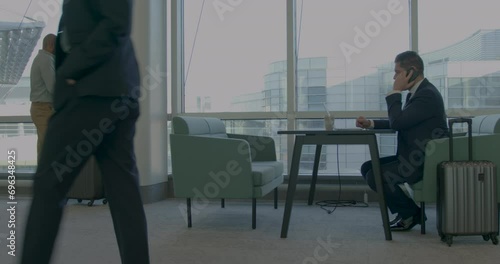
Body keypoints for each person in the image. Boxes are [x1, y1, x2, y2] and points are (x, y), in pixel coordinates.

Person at [21, 1, 150, 263]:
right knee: (123, 190)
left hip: (90, 91)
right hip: (117, 92)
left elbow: (116, 23)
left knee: (48, 184)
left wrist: (71, 69)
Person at [356, 50, 448, 231]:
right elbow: (403, 121)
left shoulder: (426, 95)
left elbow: (398, 122)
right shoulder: (418, 93)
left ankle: (410, 214)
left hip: (422, 161)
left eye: (397, 72)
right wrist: (370, 123)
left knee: (376, 175)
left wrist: (395, 92)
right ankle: (410, 212)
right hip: (413, 156)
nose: (394, 77)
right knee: (367, 167)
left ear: (411, 71)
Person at [30, 33, 56, 159]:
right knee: (50, 147)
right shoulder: (46, 59)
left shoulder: (40, 58)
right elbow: (52, 87)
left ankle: (42, 177)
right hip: (43, 109)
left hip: (40, 109)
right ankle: (47, 176)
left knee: (43, 146)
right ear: (51, 45)